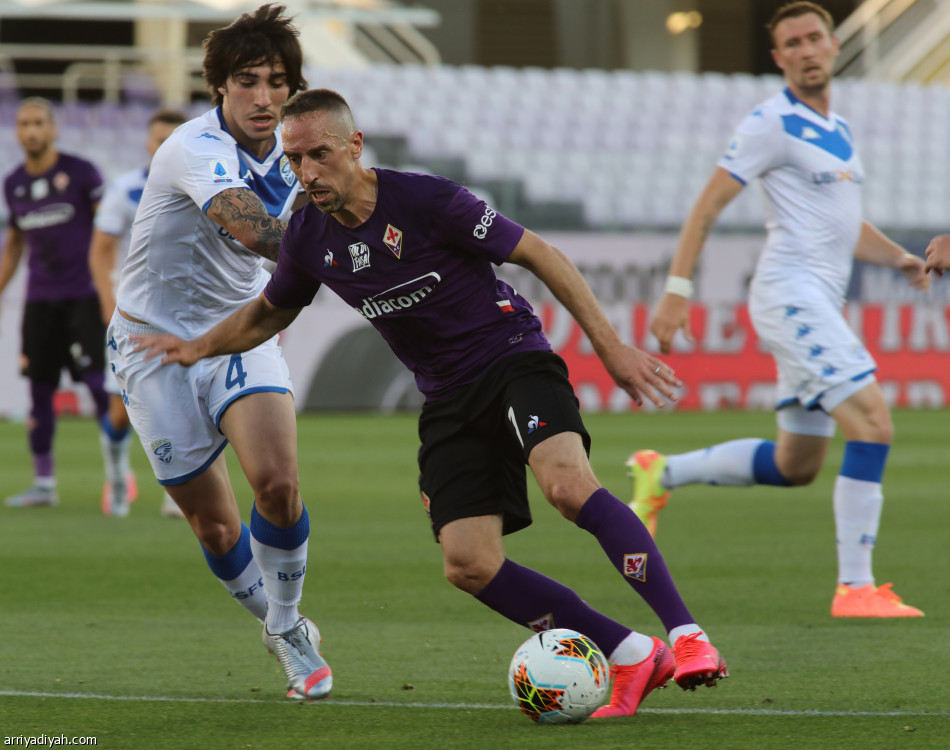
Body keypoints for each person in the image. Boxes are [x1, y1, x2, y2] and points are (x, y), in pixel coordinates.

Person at [132, 87, 729, 719]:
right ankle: (633, 653)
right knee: (468, 564)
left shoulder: (426, 199)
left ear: (354, 146)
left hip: (511, 361)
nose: (307, 172)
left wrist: (611, 350)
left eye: (320, 154)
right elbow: (266, 313)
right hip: (446, 397)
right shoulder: (307, 233)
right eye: (294, 160)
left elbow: (540, 253)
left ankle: (688, 638)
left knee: (566, 486)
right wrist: (197, 347)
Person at [635, 1, 928, 618]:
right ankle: (856, 589)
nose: (806, 49)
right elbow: (707, 206)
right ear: (779, 58)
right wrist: (676, 290)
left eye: (814, 37)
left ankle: (661, 473)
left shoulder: (839, 129)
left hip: (816, 301)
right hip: (790, 296)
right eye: (792, 43)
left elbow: (844, 224)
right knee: (873, 422)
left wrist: (898, 257)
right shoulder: (771, 123)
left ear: (832, 44)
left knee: (797, 464)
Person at [108, 5, 331, 701]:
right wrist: (339, 253)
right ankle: (273, 617)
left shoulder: (304, 154)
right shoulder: (190, 147)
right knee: (212, 523)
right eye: (247, 81)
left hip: (238, 331)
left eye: (277, 82)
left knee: (279, 482)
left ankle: (290, 632)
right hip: (153, 343)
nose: (264, 98)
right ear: (219, 88)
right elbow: (256, 232)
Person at [0, 97, 115, 509]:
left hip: (83, 296)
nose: (31, 131)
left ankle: (117, 475)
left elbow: (109, 233)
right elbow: (14, 245)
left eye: (38, 123)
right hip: (39, 301)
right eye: (24, 123)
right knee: (39, 389)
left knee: (101, 387)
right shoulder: (13, 183)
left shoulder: (81, 174)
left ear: (53, 129)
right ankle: (44, 484)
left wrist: (111, 286)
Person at [89, 107, 188, 518]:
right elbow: (100, 251)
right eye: (157, 139)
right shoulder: (125, 190)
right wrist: (110, 306)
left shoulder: (201, 186)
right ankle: (115, 478)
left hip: (184, 316)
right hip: (133, 315)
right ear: (148, 144)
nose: (163, 146)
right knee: (121, 410)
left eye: (171, 139)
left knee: (185, 406)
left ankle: (177, 493)